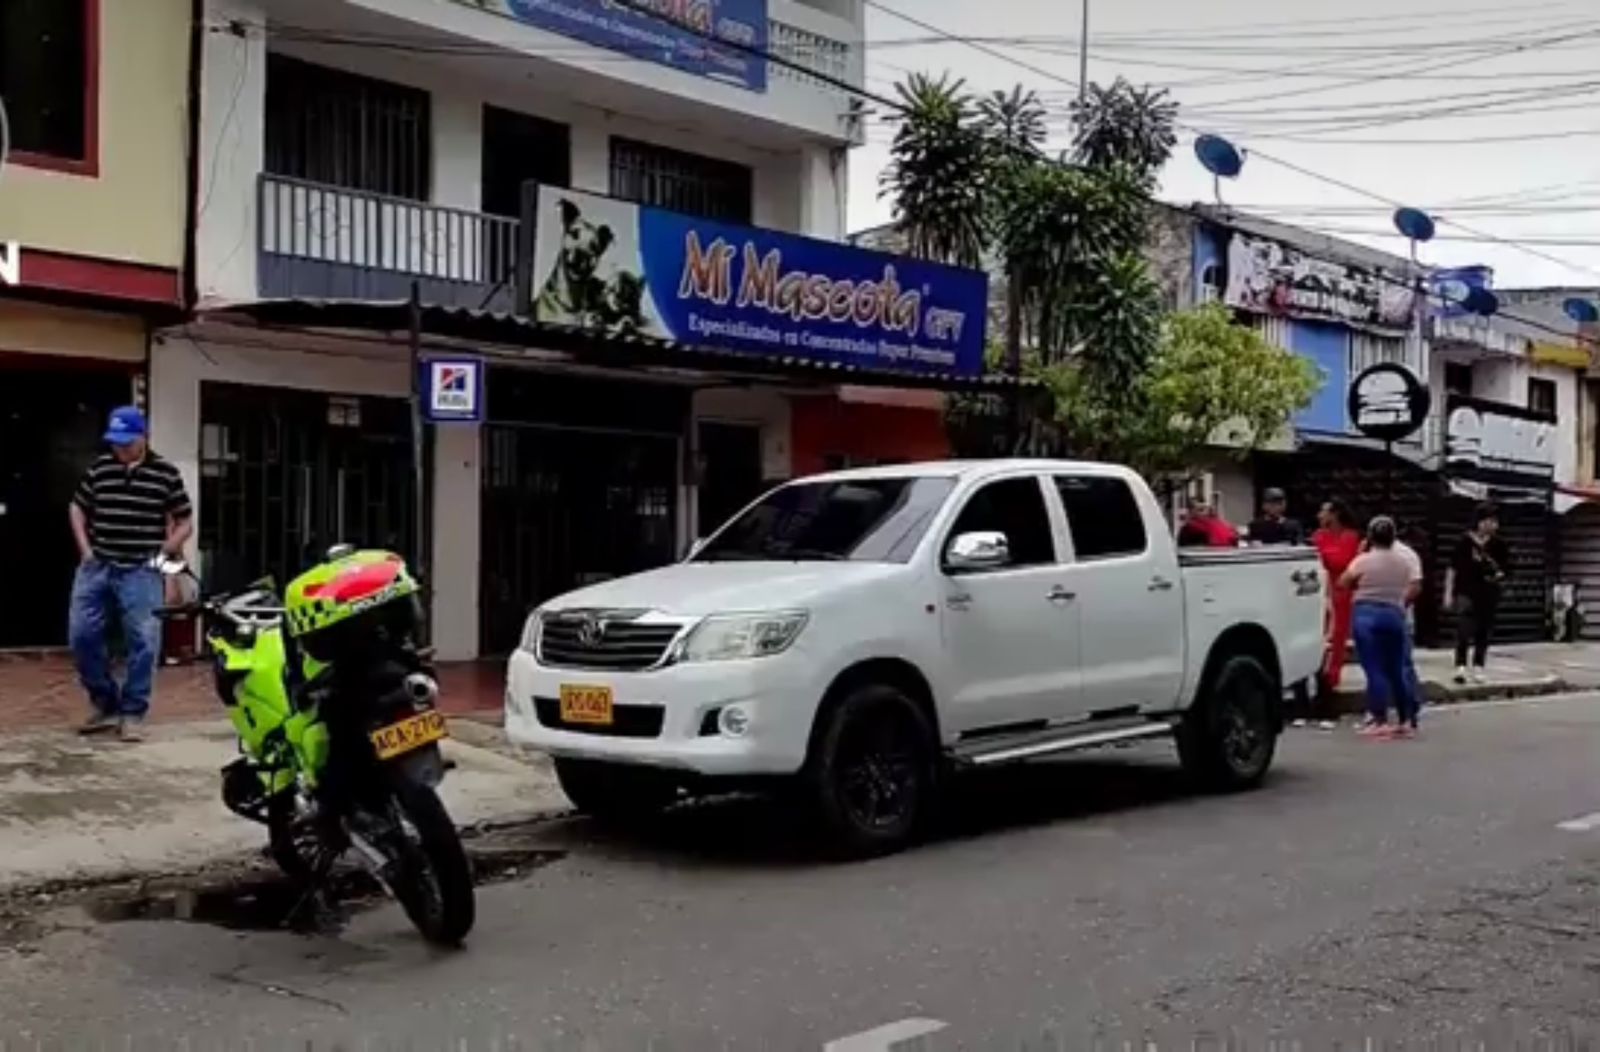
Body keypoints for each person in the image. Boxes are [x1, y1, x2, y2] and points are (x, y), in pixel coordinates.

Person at [67, 407, 193, 742]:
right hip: (98, 566)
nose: (119, 449)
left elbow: (185, 521)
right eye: (115, 443)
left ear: (144, 437)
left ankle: (133, 712)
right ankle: (105, 702)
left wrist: (167, 549)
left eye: (126, 442)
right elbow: (78, 506)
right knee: (82, 636)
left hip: (141, 568)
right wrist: (85, 550)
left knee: (145, 641)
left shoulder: (165, 473)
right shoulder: (101, 467)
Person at [1341, 516, 1422, 738]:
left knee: (1374, 669)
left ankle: (1379, 720)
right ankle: (1406, 720)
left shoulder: (1363, 560)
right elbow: (1411, 584)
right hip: (1394, 613)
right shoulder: (1403, 562)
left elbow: (1343, 582)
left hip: (1366, 614)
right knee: (1397, 669)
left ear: (1369, 537)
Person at [1445, 503, 1509, 684]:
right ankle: (1460, 666)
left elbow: (1507, 568)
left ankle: (1479, 666)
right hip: (1466, 590)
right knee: (1464, 629)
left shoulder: (1499, 544)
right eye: (1489, 521)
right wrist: (1448, 593)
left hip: (1489, 591)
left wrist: (1500, 574)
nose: (1492, 525)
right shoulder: (1464, 542)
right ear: (1479, 522)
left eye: (1495, 521)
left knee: (1484, 631)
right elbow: (1452, 568)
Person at [1311, 499, 1361, 693]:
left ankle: (1333, 674)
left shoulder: (1350, 536)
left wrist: (1324, 554)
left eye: (1323, 511)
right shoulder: (1318, 535)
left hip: (1341, 590)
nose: (1320, 515)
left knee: (1337, 635)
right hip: (1321, 589)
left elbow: (1343, 561)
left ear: (1335, 514)